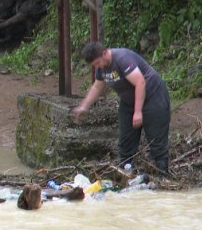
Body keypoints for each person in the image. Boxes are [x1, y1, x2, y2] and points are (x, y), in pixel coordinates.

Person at [71, 42, 171, 176]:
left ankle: (163, 176)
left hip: (153, 96)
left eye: (97, 63)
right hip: (128, 101)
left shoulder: (122, 59)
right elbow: (97, 87)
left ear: (105, 53)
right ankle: (126, 174)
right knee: (125, 142)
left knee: (156, 140)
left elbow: (140, 82)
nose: (97, 67)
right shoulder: (102, 67)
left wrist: (137, 111)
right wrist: (84, 106)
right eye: (94, 65)